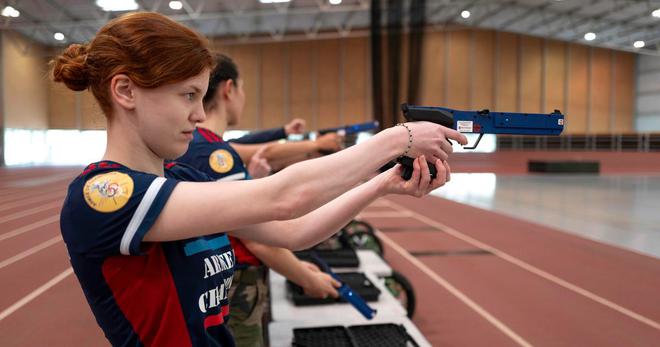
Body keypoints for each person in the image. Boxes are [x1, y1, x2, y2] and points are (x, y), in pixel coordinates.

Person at [53, 11, 466, 347]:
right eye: (187, 95)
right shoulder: (102, 198)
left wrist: (383, 182)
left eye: (201, 95)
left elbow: (294, 230)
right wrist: (399, 138)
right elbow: (284, 197)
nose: (199, 114)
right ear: (125, 91)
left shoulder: (185, 175)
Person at [176, 54, 342, 346]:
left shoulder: (206, 146)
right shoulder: (213, 153)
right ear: (229, 89)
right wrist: (305, 278)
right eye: (242, 89)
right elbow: (258, 238)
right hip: (234, 283)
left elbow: (262, 150)